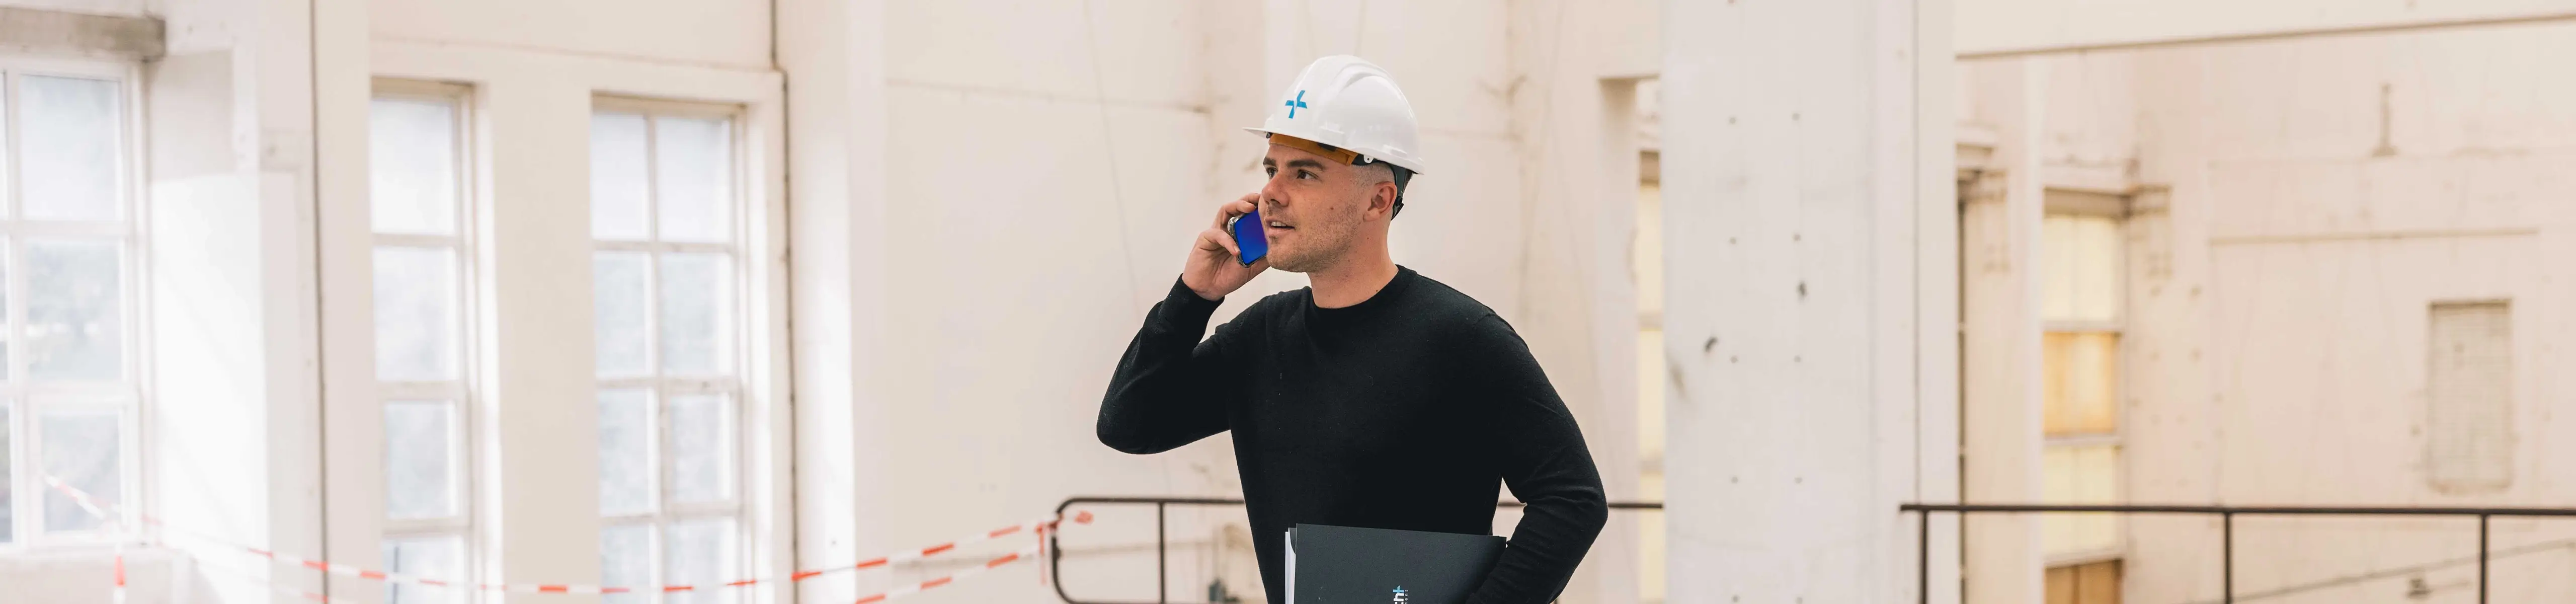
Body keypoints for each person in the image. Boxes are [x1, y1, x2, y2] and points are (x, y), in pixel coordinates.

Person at [1096, 55, 1607, 604]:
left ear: (1377, 200)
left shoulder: (1462, 338)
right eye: (1272, 169)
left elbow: (1572, 500)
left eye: (1304, 173)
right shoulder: (1261, 337)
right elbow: (1130, 424)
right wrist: (1192, 298)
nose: (1271, 193)